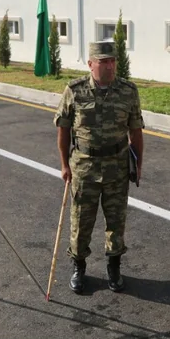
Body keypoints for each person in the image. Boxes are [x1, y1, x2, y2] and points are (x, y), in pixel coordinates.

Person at [54, 41, 144, 294]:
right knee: (81, 221)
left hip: (117, 167)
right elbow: (63, 130)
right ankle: (79, 266)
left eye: (113, 61)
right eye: (104, 62)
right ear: (91, 64)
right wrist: (64, 165)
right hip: (84, 167)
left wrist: (138, 165)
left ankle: (114, 267)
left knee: (116, 221)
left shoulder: (128, 91)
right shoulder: (75, 90)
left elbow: (136, 131)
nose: (110, 66)